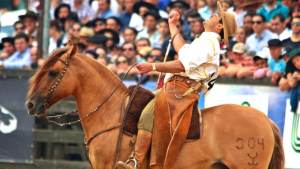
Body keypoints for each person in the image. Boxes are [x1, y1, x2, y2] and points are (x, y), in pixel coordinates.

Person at [116, 2, 237, 169]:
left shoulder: (207, 43)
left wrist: (152, 67)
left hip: (180, 89)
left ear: (219, 26)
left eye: (216, 16)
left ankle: (135, 161)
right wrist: (172, 26)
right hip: (180, 87)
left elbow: (182, 65)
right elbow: (182, 49)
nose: (211, 15)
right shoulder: (205, 41)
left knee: (147, 114)